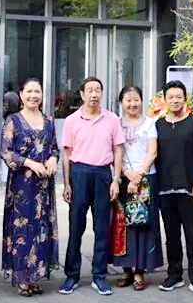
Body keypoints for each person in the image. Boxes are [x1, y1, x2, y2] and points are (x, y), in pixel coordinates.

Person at [59, 76, 124, 297]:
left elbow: (117, 150)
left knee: (102, 228)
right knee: (76, 226)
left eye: (98, 90)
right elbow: (66, 154)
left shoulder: (112, 119)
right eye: (90, 90)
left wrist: (116, 179)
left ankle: (99, 275)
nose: (94, 94)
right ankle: (72, 275)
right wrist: (67, 183)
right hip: (79, 173)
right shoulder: (71, 120)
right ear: (82, 94)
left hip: (103, 174)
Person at [0, 78, 59, 296]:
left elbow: (54, 148)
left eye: (37, 92)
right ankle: (23, 277)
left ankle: (36, 276)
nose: (33, 95)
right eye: (29, 91)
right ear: (21, 95)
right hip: (22, 187)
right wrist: (30, 163)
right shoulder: (13, 121)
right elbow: (6, 152)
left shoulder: (49, 120)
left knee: (41, 228)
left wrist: (53, 159)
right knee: (22, 229)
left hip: (43, 186)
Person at [156, 80, 193, 298]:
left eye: (179, 96)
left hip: (189, 188)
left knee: (192, 235)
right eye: (171, 97)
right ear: (165, 99)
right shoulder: (158, 125)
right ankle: (174, 274)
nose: (175, 100)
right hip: (164, 189)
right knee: (171, 235)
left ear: (185, 98)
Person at [112, 85, 163, 291]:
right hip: (123, 179)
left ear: (142, 101)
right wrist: (126, 173)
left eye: (136, 99)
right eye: (128, 100)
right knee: (123, 225)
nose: (132, 104)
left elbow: (152, 152)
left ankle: (141, 270)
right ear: (121, 102)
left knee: (143, 224)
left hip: (146, 179)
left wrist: (137, 176)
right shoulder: (115, 123)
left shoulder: (150, 123)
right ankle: (126, 269)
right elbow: (113, 151)